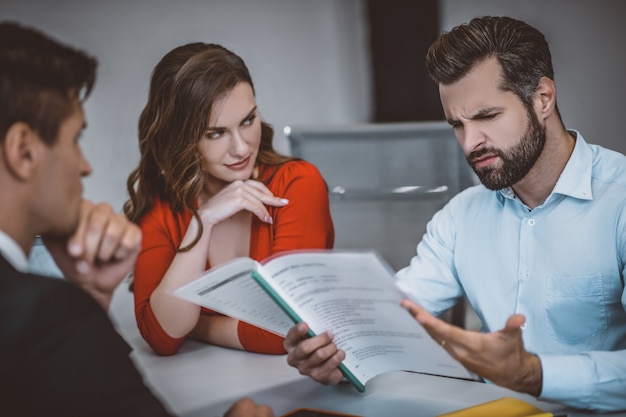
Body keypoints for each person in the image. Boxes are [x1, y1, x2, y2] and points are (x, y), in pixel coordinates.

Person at [282, 16, 626, 412]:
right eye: (456, 125)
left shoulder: (617, 203)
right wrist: (336, 352)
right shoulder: (460, 217)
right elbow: (399, 313)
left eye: (486, 116)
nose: (470, 143)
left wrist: (535, 374)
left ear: (543, 98)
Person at [0, 21, 273, 417]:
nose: (85, 166)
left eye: (247, 121)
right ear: (24, 151)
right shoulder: (46, 316)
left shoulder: (48, 316)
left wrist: (89, 300)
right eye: (75, 139)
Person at [124, 42, 334, 356]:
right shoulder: (163, 208)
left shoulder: (297, 184)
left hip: (294, 388)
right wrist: (202, 223)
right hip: (209, 391)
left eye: (248, 121)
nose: (241, 148)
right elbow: (161, 338)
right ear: (181, 138)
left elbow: (286, 331)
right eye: (216, 133)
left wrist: (195, 324)